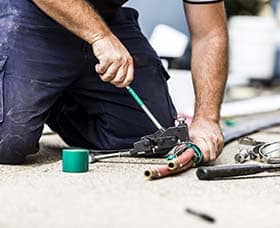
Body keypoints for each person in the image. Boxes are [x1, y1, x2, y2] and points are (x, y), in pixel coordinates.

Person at [0, 0, 228, 164]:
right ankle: (31, 89)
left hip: (105, 17)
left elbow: (209, 34)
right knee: (8, 144)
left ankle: (53, 96)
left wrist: (207, 119)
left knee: (152, 141)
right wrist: (100, 37)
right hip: (30, 10)